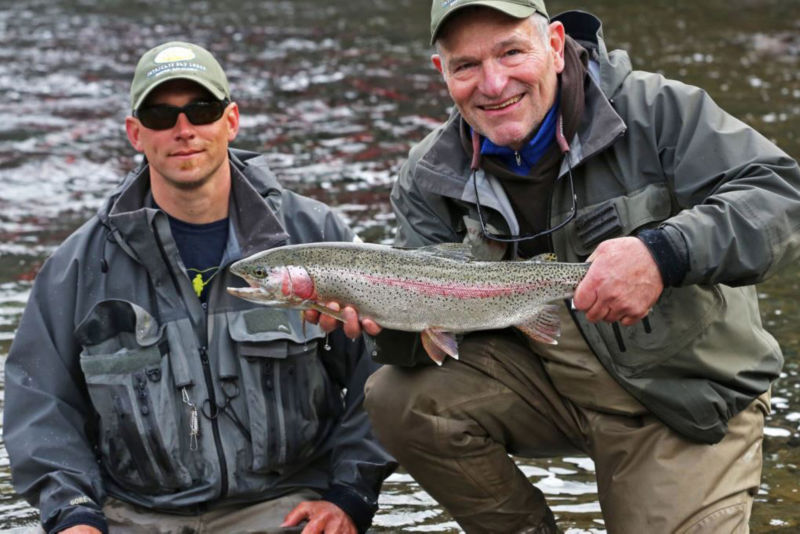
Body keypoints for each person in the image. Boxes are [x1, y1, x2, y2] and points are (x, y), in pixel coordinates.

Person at [309, 1, 800, 532]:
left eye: (511, 52)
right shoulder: (429, 174)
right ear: (441, 72)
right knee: (396, 397)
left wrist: (665, 252)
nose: (493, 84)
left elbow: (782, 197)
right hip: (547, 385)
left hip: (682, 399)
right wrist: (378, 317)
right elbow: (431, 332)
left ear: (556, 45)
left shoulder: (655, 109)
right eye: (466, 66)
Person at [3, 41, 395, 534]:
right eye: (161, 116)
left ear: (231, 121)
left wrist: (351, 495)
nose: (183, 129)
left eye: (201, 110)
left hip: (289, 506)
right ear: (135, 133)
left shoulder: (314, 236)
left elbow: (381, 373)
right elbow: (40, 403)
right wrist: (72, 512)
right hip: (130, 516)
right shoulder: (77, 266)